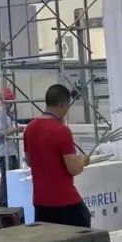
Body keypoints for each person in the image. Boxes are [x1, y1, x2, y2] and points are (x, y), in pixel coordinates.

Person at [23, 83, 92, 228]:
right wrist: (83, 161)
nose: (67, 110)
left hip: (41, 202)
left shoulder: (29, 128)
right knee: (83, 228)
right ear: (62, 104)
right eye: (67, 106)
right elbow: (74, 169)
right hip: (65, 201)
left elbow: (29, 161)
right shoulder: (62, 131)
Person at [0, 88, 23, 207]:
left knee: (11, 178)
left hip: (9, 151)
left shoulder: (7, 115)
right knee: (6, 178)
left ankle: (10, 201)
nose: (11, 104)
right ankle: (3, 203)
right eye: (9, 102)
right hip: (4, 152)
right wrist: (15, 130)